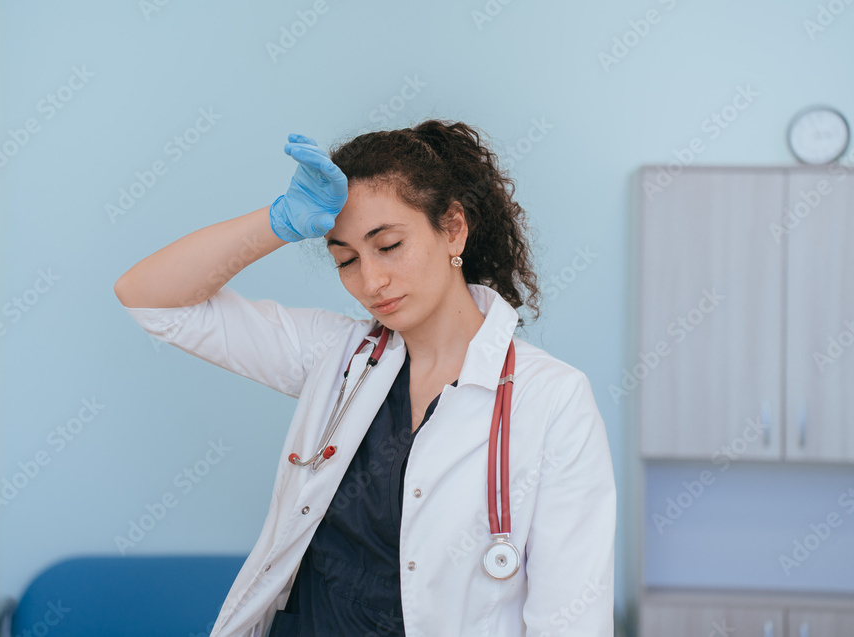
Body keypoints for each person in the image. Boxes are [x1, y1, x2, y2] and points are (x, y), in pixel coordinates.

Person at [114, 120, 616, 637]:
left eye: (389, 244)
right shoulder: (337, 356)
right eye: (346, 259)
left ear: (453, 229)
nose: (371, 281)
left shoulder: (551, 399)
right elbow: (150, 298)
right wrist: (277, 222)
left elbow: (571, 619)